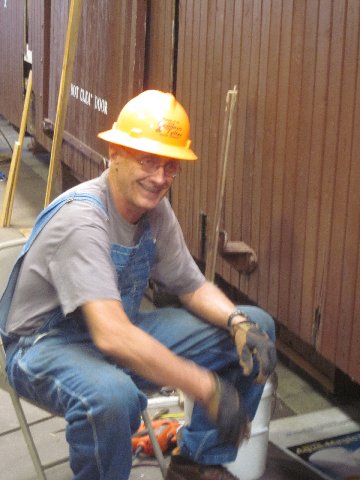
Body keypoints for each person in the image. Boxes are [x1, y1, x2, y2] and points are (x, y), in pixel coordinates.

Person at [0, 90, 276, 480]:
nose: (160, 178)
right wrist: (206, 387)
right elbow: (113, 337)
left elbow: (192, 287)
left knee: (256, 327)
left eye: (170, 166)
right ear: (114, 152)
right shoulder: (81, 220)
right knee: (112, 397)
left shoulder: (154, 210)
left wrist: (236, 322)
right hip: (43, 347)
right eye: (148, 161)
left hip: (117, 329)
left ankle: (197, 462)